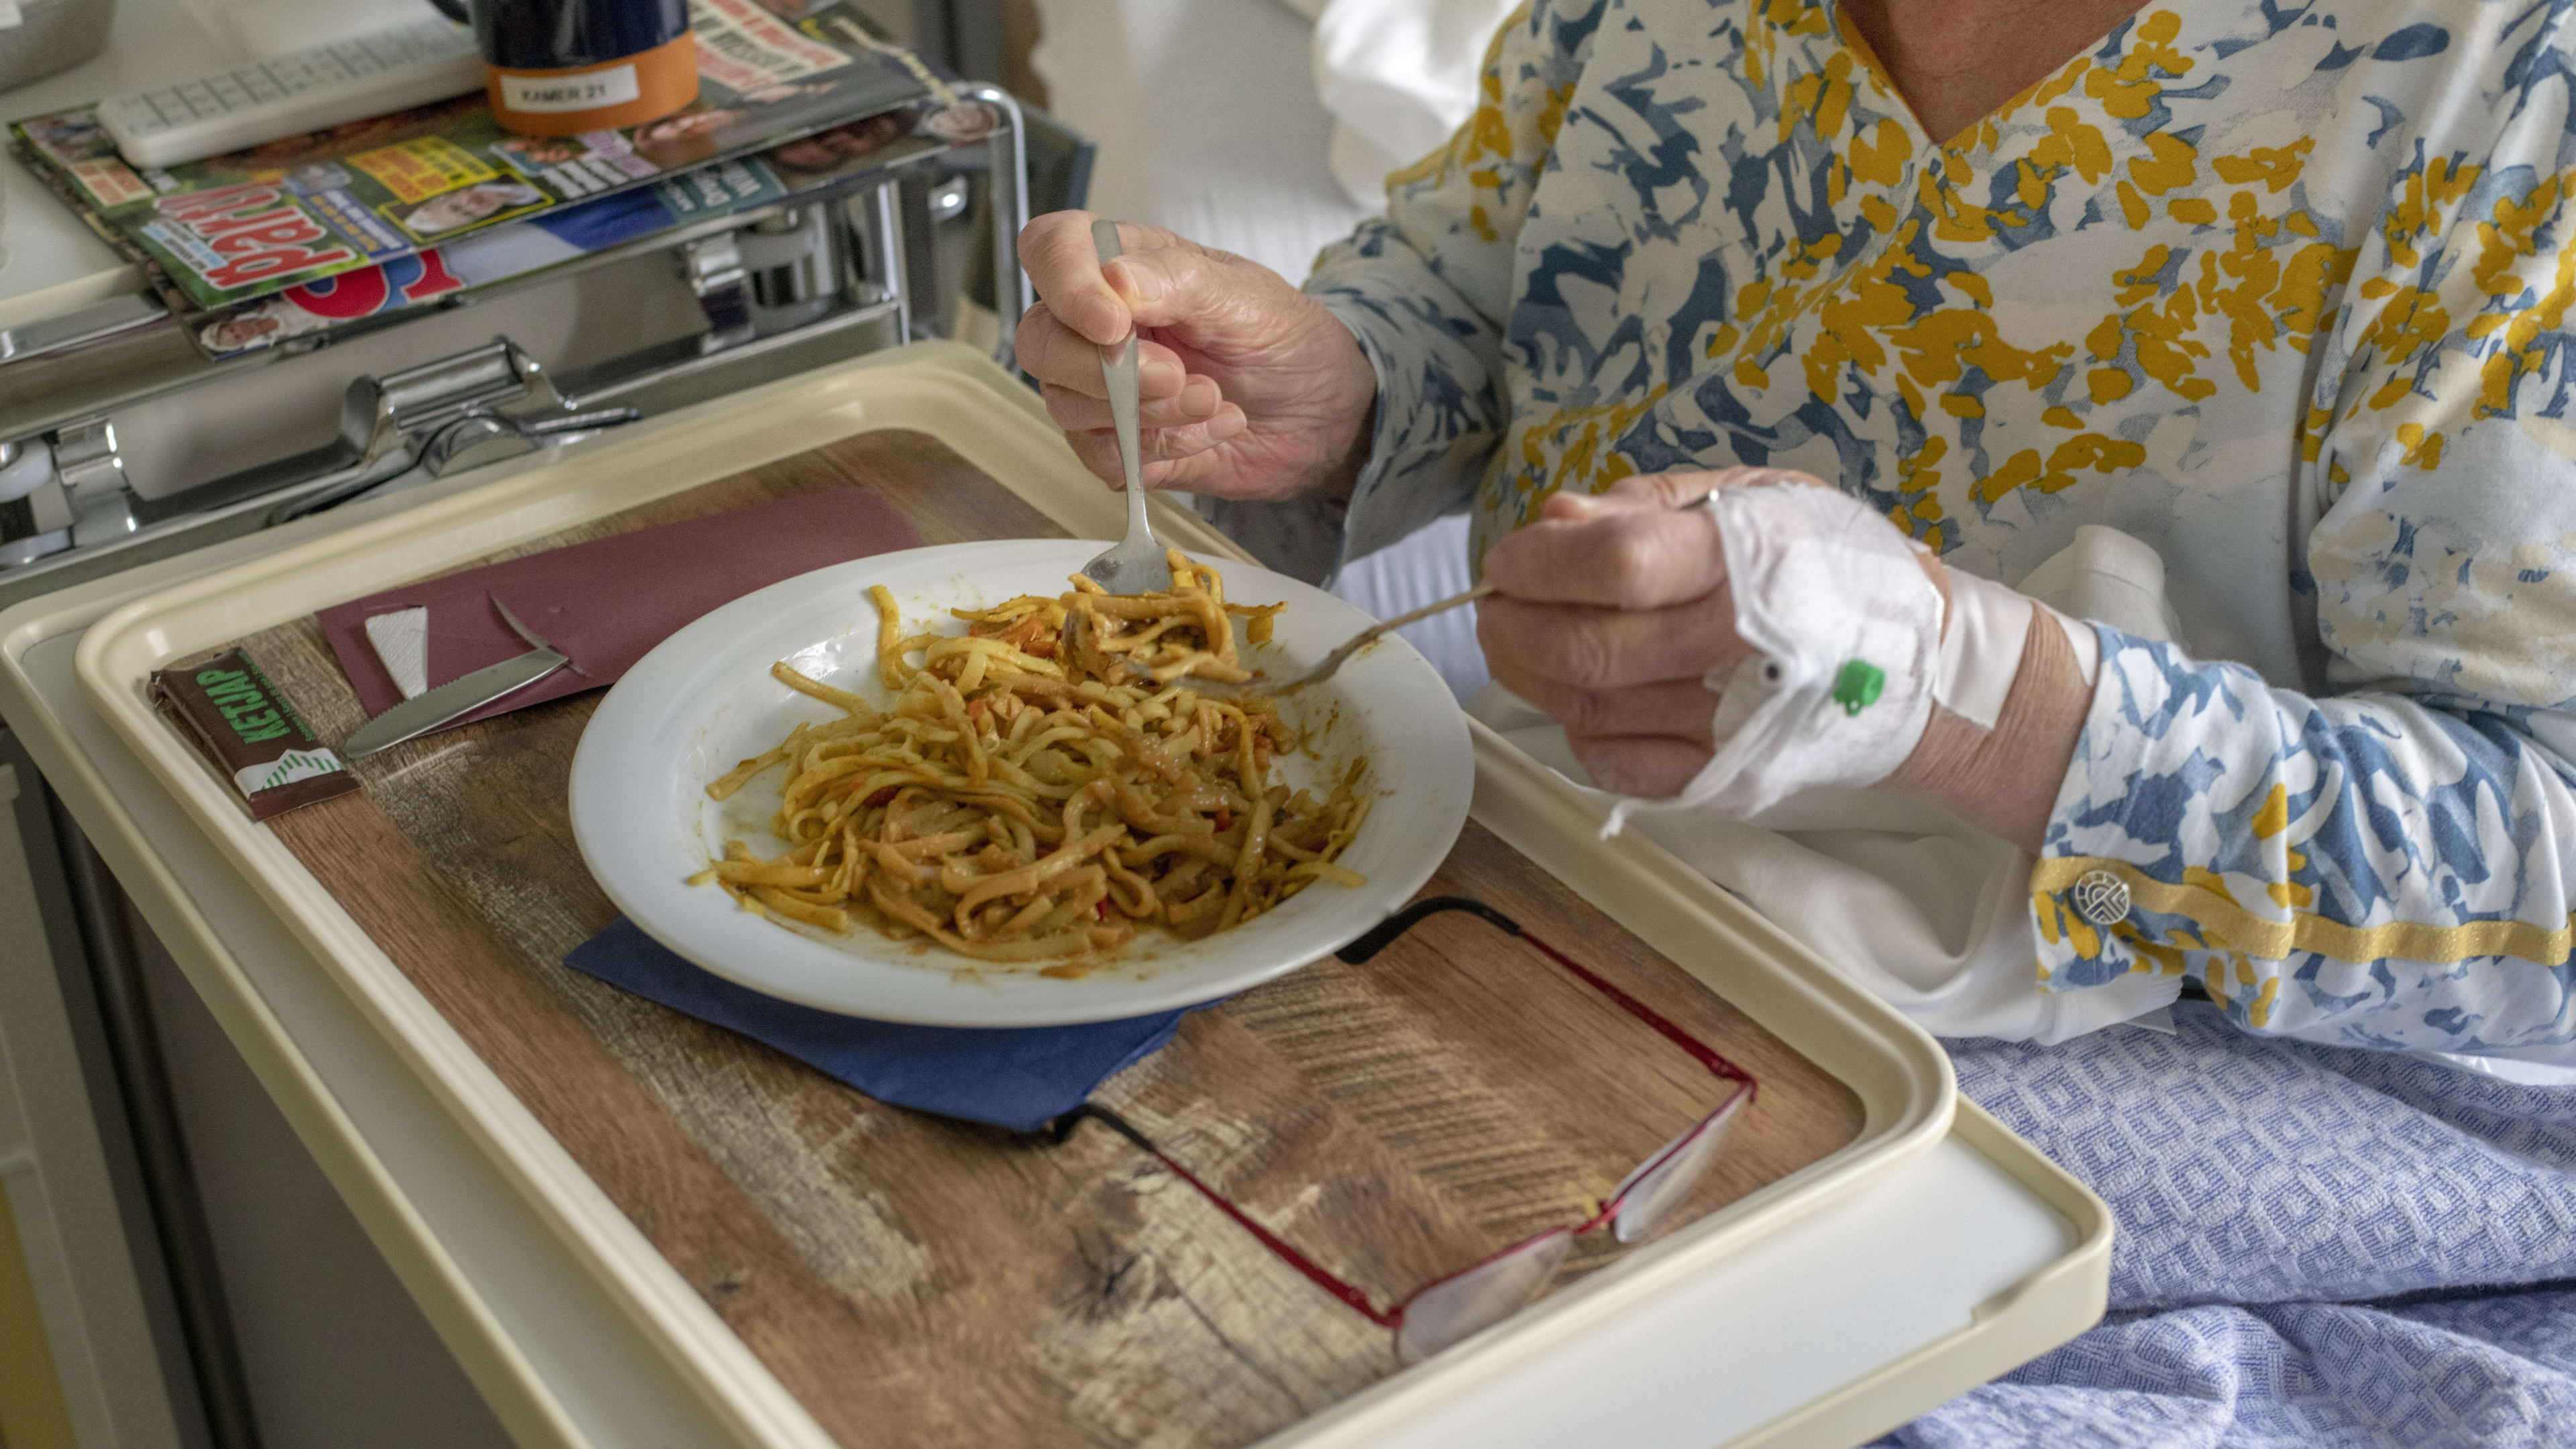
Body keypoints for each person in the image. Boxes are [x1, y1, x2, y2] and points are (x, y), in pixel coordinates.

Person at [1014, 0, 2576, 1061]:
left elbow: (2540, 882)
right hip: (1575, 883)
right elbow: (1485, 286)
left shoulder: (2499, 91)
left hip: (2152, 1034)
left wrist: (1961, 690)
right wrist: (1339, 390)